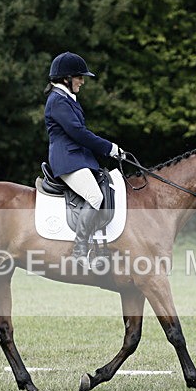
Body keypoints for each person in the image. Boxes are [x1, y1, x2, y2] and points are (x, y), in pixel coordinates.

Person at [44, 51, 123, 262]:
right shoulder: (58, 101)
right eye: (79, 77)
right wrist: (109, 148)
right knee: (95, 196)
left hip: (78, 158)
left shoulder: (66, 99)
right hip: (68, 161)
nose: (82, 82)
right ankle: (79, 251)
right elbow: (78, 133)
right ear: (66, 78)